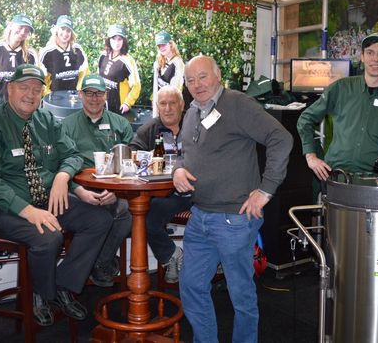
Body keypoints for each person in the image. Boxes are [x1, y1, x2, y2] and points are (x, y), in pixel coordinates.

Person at [0, 64, 112, 326]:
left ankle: (62, 285)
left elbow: (72, 155)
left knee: (99, 219)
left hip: (46, 201)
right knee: (48, 236)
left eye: (37, 90)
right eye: (24, 88)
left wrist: (62, 176)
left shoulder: (46, 121)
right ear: (9, 89)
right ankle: (40, 293)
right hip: (2, 210)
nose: (31, 95)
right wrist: (28, 211)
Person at [173, 55, 293, 342]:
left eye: (203, 77)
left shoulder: (238, 104)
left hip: (234, 219)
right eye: (190, 80)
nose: (197, 84)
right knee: (191, 287)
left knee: (241, 295)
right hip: (200, 216)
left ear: (218, 75)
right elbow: (185, 153)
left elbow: (281, 138)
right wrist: (178, 169)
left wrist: (265, 190)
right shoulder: (191, 112)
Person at [297, 32, 378, 179]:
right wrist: (311, 156)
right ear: (362, 57)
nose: (376, 59)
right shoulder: (341, 88)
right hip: (336, 178)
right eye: (370, 52)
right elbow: (305, 119)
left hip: (373, 181)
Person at [61, 74, 133, 287]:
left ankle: (99, 263)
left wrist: (117, 192)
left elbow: (131, 163)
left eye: (99, 93)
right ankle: (93, 267)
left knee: (125, 211)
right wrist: (78, 190)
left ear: (106, 95)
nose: (94, 98)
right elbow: (59, 165)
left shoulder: (120, 123)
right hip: (78, 191)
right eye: (89, 93)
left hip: (113, 189)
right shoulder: (66, 125)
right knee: (97, 215)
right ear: (80, 95)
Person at [130, 85, 189, 283]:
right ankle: (171, 255)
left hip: (198, 190)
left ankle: (212, 262)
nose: (168, 108)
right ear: (157, 106)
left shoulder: (195, 125)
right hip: (167, 195)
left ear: (182, 105)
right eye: (163, 104)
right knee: (146, 217)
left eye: (172, 103)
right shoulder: (149, 129)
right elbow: (133, 154)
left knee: (214, 216)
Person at [38, 15, 89, 94]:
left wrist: (78, 94)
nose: (65, 33)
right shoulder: (47, 52)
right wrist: (49, 96)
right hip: (54, 98)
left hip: (74, 98)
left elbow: (84, 74)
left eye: (68, 30)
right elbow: (41, 80)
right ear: (57, 30)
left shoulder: (77, 49)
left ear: (71, 33)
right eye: (62, 29)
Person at [98, 24, 141, 114]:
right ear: (109, 40)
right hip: (101, 106)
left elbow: (136, 86)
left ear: (123, 41)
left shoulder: (127, 61)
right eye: (114, 39)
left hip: (118, 109)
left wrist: (127, 103)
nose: (116, 43)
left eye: (119, 39)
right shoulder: (103, 56)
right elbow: (98, 78)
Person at [152, 30, 185, 117]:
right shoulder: (158, 63)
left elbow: (176, 91)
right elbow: (155, 89)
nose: (161, 48)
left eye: (164, 45)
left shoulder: (178, 63)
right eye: (159, 46)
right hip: (160, 107)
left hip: (172, 109)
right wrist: (155, 111)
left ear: (170, 44)